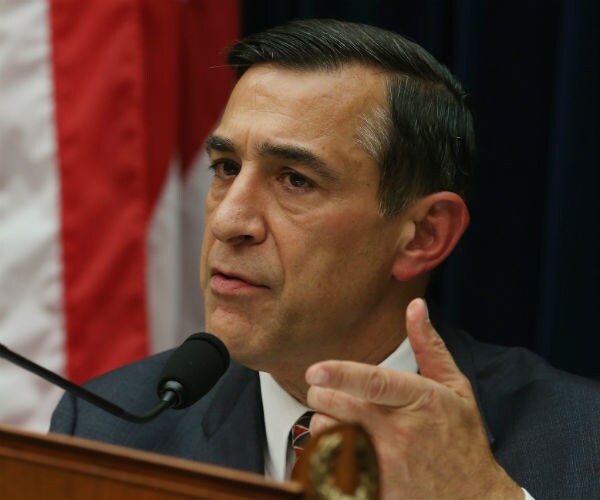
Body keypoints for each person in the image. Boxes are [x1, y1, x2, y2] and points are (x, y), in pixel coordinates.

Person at [50, 19, 600, 499]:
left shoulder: (583, 440)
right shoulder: (108, 428)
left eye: (295, 180)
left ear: (422, 236)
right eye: (226, 168)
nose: (228, 221)